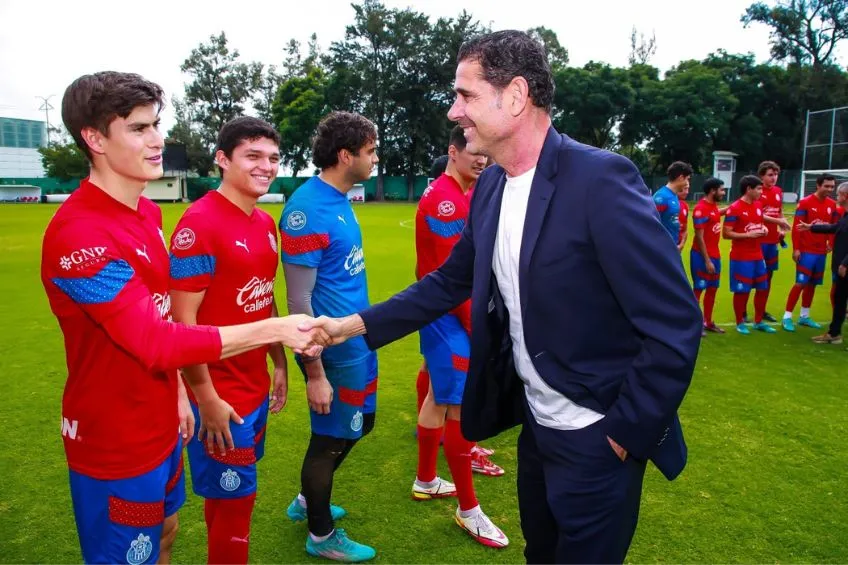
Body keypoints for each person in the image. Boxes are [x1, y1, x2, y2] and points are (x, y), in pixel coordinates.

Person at [299, 30, 702, 564]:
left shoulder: (600, 180)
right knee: (542, 553)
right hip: (537, 427)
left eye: (464, 95)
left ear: (514, 96)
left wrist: (624, 433)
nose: (452, 111)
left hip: (599, 437)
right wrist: (349, 326)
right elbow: (447, 282)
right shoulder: (489, 186)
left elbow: (675, 322)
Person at [40, 72, 324, 565]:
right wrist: (275, 330)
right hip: (115, 438)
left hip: (163, 421)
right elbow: (154, 338)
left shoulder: (147, 214)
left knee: (167, 532)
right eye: (138, 128)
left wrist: (178, 394)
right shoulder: (78, 236)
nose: (157, 140)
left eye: (156, 125)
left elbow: (160, 309)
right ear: (94, 139)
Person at [168, 117, 287, 564]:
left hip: (253, 385)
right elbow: (183, 325)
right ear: (222, 159)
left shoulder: (264, 224)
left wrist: (277, 363)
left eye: (273, 158)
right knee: (236, 509)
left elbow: (264, 301)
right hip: (220, 396)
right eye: (252, 156)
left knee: (233, 502)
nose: (266, 166)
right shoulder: (198, 224)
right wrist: (207, 397)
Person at [279, 111, 380, 563]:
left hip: (358, 342)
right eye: (370, 150)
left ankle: (307, 500)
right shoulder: (306, 209)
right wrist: (314, 371)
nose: (375, 158)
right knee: (329, 440)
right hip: (333, 353)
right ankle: (320, 533)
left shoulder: (339, 198)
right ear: (346, 155)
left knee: (362, 425)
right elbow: (299, 303)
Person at [412, 124, 507, 547]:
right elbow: (454, 281)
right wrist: (478, 328)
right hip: (448, 315)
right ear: (453, 152)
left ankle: (427, 479)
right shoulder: (446, 203)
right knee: (457, 406)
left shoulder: (464, 194)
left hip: (448, 313)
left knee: (439, 396)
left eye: (485, 154)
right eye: (474, 153)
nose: (482, 160)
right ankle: (469, 510)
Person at [722, 175, 790, 334]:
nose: (761, 192)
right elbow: (726, 234)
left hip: (758, 255)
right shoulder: (735, 208)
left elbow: (758, 222)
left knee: (762, 287)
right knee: (742, 290)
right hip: (741, 257)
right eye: (758, 189)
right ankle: (740, 322)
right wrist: (747, 236)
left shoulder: (758, 205)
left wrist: (764, 229)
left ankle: (759, 321)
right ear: (748, 189)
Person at [781, 173, 838, 332]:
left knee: (813, 284)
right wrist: (796, 249)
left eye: (832, 187)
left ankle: (804, 316)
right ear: (818, 185)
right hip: (806, 251)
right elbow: (797, 228)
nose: (829, 189)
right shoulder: (805, 203)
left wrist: (830, 243)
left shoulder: (832, 205)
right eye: (826, 186)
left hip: (821, 251)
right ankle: (787, 317)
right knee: (800, 283)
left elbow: (833, 227)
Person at [798, 181, 848, 344]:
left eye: (839, 194)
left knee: (840, 299)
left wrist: (845, 263)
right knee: (839, 300)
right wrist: (811, 227)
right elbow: (834, 228)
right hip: (841, 268)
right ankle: (834, 334)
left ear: (845, 196)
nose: (836, 196)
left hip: (845, 267)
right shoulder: (845, 216)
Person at [691, 177, 727, 334]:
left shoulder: (713, 207)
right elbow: (699, 237)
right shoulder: (700, 208)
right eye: (721, 190)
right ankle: (694, 324)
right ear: (713, 191)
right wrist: (707, 260)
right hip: (701, 256)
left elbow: (714, 215)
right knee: (699, 289)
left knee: (712, 289)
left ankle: (708, 322)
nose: (723, 193)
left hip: (715, 255)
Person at [757, 160, 786, 322]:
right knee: (755, 276)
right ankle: (745, 312)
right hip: (758, 241)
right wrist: (779, 222)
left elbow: (779, 212)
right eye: (770, 175)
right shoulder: (757, 191)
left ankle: (762, 310)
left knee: (769, 277)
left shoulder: (778, 191)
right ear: (762, 176)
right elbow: (757, 214)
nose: (773, 178)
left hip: (772, 242)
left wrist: (781, 229)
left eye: (775, 175)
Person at [653, 161, 692, 243]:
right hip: (663, 249)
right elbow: (651, 226)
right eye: (687, 179)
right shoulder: (661, 198)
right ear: (681, 178)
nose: (687, 184)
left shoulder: (674, 196)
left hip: (672, 248)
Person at [677, 180, 690, 253]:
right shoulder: (665, 202)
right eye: (685, 189)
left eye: (688, 189)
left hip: (678, 248)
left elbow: (685, 230)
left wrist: (681, 245)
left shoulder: (685, 206)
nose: (687, 192)